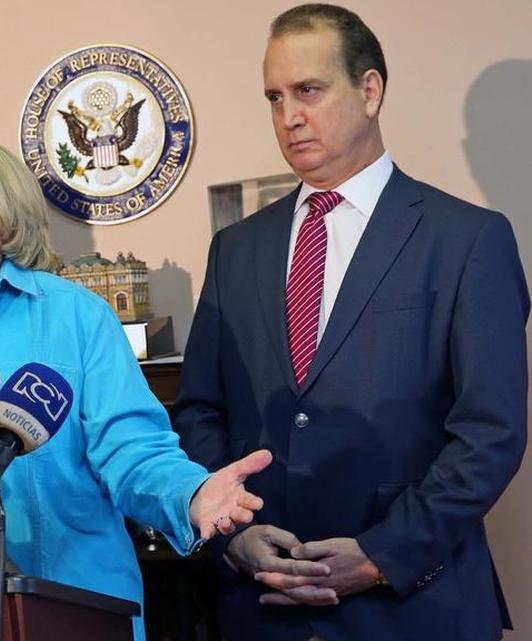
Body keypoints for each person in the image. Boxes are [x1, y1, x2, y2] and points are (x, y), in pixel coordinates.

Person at [0, 126, 272, 640]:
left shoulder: (74, 317)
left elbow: (133, 451)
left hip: (63, 612)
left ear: (6, 221)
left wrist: (191, 495)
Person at [173, 5, 528, 641]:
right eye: (274, 97)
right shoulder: (236, 248)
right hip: (262, 608)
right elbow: (200, 410)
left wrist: (378, 556)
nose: (288, 117)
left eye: (308, 90)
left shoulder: (469, 240)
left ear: (370, 90)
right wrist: (233, 533)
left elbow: (490, 433)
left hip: (415, 608)